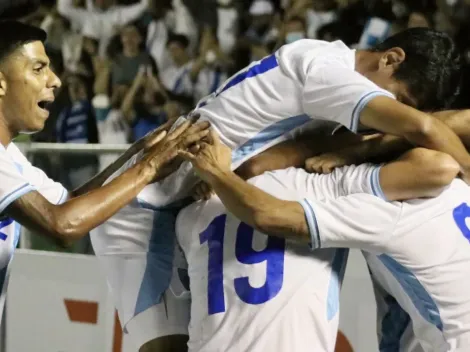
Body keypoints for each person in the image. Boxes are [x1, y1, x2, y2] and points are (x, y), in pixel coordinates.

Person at [90, 28, 469, 351]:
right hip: (136, 215)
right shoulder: (328, 75)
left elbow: (255, 163)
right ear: (390, 59)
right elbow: (424, 129)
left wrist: (356, 148)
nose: (390, 118)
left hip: (186, 205)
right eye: (399, 103)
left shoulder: (312, 76)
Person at [180, 125, 470, 351]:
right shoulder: (459, 187)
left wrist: (218, 174)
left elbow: (267, 209)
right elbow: (439, 162)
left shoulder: (186, 215)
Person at [0, 20, 210, 322]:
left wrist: (138, 154)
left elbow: (68, 202)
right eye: (38, 69)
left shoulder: (10, 157)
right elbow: (62, 225)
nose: (55, 80)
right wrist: (150, 166)